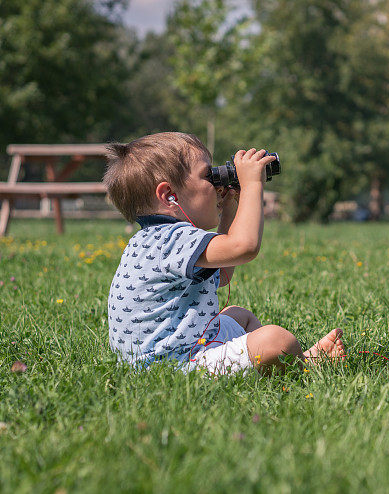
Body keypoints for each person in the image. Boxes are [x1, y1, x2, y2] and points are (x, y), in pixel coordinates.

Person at [103, 131, 344, 375]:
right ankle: (305, 364)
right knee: (276, 340)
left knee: (240, 316)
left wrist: (229, 209)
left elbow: (222, 275)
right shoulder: (172, 239)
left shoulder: (153, 239)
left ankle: (267, 364)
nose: (217, 184)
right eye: (208, 176)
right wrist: (252, 185)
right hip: (174, 366)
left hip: (174, 350)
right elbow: (244, 247)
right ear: (168, 196)